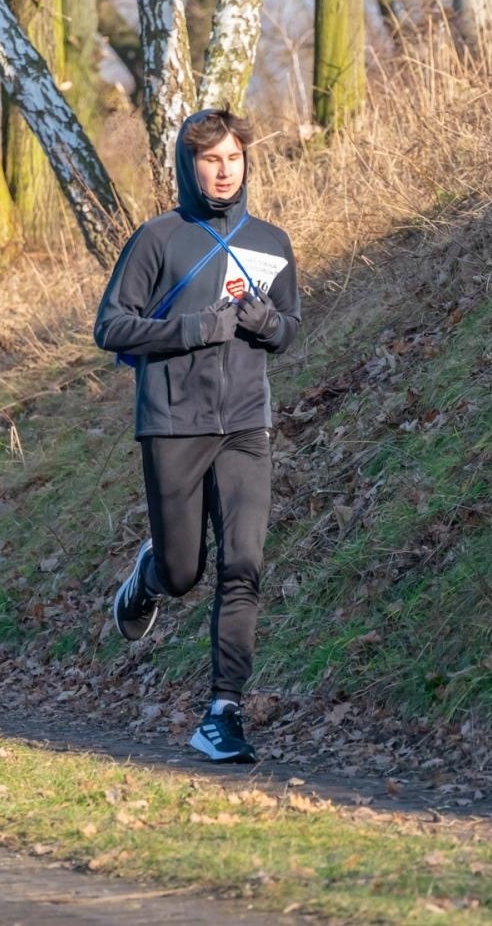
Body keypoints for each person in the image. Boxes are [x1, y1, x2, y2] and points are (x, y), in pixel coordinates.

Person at [93, 108, 300, 764]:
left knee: (243, 565)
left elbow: (291, 328)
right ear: (190, 166)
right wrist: (187, 331)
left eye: (233, 159)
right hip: (173, 424)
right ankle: (149, 575)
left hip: (245, 425)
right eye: (210, 159)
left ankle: (223, 713)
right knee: (186, 573)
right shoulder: (158, 239)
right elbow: (111, 327)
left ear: (245, 162)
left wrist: (268, 325)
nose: (223, 170)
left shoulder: (271, 241)